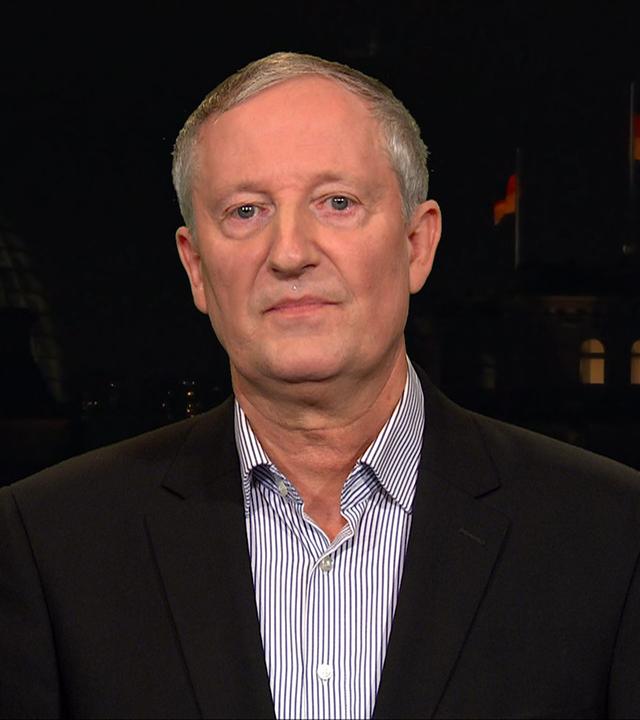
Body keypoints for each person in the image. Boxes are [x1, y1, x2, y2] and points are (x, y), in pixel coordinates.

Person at [1, 51, 639, 720]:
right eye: (246, 211)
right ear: (196, 268)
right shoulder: (49, 544)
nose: (289, 252)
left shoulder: (612, 535)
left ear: (417, 244)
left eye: (337, 203)